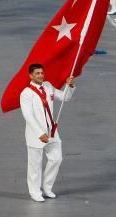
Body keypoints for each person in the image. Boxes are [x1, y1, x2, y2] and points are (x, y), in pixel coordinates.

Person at [20, 64, 76, 202]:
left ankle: (47, 187)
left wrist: (70, 86)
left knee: (56, 158)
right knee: (35, 164)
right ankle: (34, 191)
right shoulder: (26, 93)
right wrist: (39, 133)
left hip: (52, 132)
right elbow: (28, 115)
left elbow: (65, 98)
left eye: (42, 73)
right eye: (37, 73)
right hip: (36, 135)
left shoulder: (48, 86)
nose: (40, 75)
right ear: (31, 76)